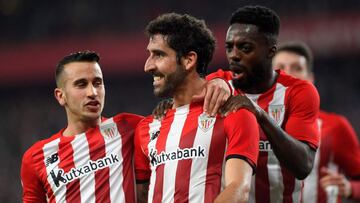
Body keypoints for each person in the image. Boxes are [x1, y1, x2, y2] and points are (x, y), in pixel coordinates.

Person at [134, 13, 259, 203]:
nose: (147, 66)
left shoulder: (233, 114)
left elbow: (239, 190)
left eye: (158, 55)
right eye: (150, 54)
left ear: (189, 60)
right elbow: (142, 195)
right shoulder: (147, 127)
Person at [202, 5, 321, 203]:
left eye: (245, 48)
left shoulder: (298, 92)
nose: (234, 55)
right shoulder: (217, 85)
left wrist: (260, 115)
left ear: (270, 51)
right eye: (229, 47)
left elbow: (303, 166)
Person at [20, 51, 143, 203]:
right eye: (81, 84)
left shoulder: (128, 126)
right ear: (60, 96)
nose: (93, 92)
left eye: (97, 83)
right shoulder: (36, 157)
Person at [272, 41, 360, 203]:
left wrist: (349, 188)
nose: (288, 74)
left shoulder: (335, 127)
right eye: (280, 68)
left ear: (310, 79)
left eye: (297, 68)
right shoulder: (254, 124)